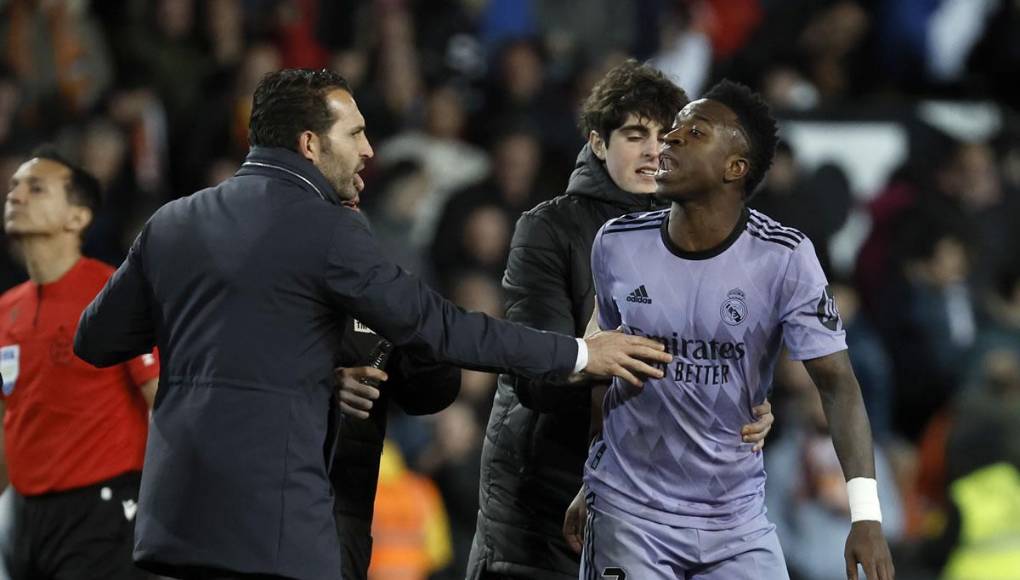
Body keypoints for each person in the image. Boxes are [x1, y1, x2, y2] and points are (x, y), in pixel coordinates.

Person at [71, 68, 672, 580]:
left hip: (176, 517)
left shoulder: (174, 221)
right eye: (355, 133)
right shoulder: (327, 228)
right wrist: (579, 355)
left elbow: (97, 339)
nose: (368, 150)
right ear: (310, 143)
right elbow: (438, 330)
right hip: (275, 527)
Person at [568, 80, 894, 580]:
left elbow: (837, 383)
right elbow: (604, 373)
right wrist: (587, 485)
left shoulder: (783, 257)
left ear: (734, 168)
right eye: (672, 129)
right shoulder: (616, 244)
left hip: (736, 520)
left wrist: (867, 516)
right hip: (631, 511)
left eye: (692, 132)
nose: (669, 139)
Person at [466, 60, 774, 580]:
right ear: (598, 143)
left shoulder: (703, 239)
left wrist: (747, 407)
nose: (655, 150)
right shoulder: (548, 229)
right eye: (635, 135)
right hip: (542, 509)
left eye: (667, 134)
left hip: (654, 509)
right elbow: (533, 372)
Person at [0, 147, 159, 580]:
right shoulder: (6, 309)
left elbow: (160, 397)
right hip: (26, 515)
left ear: (77, 218)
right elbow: (8, 418)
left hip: (103, 511)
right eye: (14, 186)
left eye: (36, 188)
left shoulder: (113, 292)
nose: (15, 195)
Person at [331, 316, 461, 580]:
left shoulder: (379, 298)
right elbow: (439, 559)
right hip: (343, 526)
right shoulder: (420, 492)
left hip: (334, 516)